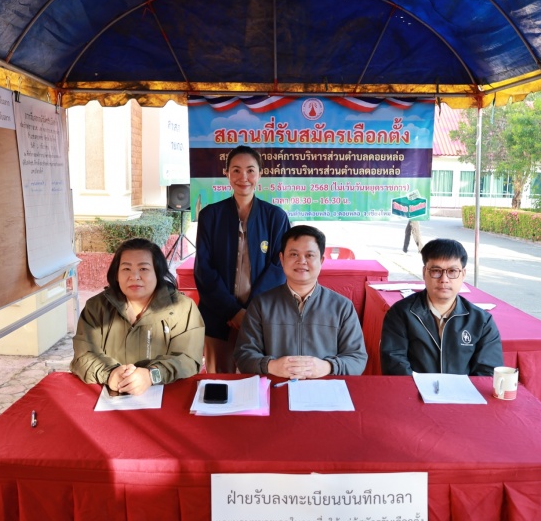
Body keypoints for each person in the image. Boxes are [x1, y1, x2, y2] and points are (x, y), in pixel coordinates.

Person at [194, 146, 290, 373]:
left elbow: (278, 268)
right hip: (218, 315)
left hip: (261, 317)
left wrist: (249, 314)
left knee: (258, 378)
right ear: (226, 173)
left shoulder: (275, 217)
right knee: (220, 381)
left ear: (260, 174)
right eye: (236, 170)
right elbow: (204, 270)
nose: (243, 177)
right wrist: (232, 312)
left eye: (250, 170)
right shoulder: (210, 215)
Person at [72, 238, 205, 394]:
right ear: (116, 274)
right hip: (110, 397)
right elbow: (83, 355)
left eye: (143, 269)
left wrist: (151, 375)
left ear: (158, 273)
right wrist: (110, 374)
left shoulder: (182, 308)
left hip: (166, 397)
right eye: (126, 269)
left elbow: (188, 359)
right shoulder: (96, 307)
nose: (134, 276)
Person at [233, 225, 367, 378]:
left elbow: (357, 358)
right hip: (275, 386)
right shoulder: (261, 305)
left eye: (309, 255)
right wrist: (271, 365)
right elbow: (243, 354)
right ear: (282, 259)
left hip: (325, 388)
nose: (301, 261)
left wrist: (327, 367)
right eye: (294, 254)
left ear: (321, 260)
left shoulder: (342, 307)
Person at [380, 238, 503, 376]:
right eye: (436, 271)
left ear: (463, 274)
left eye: (452, 271)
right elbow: (394, 364)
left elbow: (487, 372)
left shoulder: (482, 321)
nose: (444, 279)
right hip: (414, 389)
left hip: (464, 390)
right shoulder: (401, 314)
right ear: (424, 272)